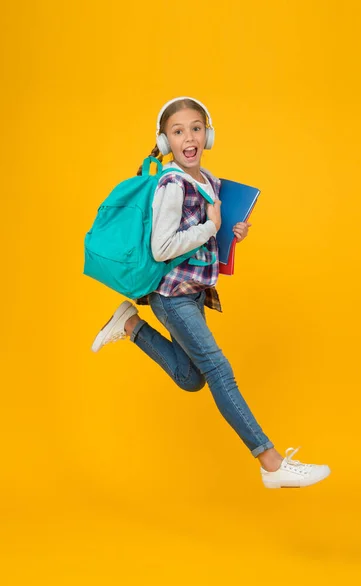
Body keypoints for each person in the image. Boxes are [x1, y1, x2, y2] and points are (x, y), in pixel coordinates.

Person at [91, 96, 331, 489]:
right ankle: (271, 463)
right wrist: (208, 227)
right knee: (219, 370)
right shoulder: (172, 183)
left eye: (196, 128)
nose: (189, 137)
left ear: (209, 133)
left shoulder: (211, 182)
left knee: (191, 378)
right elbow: (161, 248)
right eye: (178, 131)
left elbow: (206, 239)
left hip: (196, 292)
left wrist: (229, 233)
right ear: (166, 141)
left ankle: (131, 325)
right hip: (172, 295)